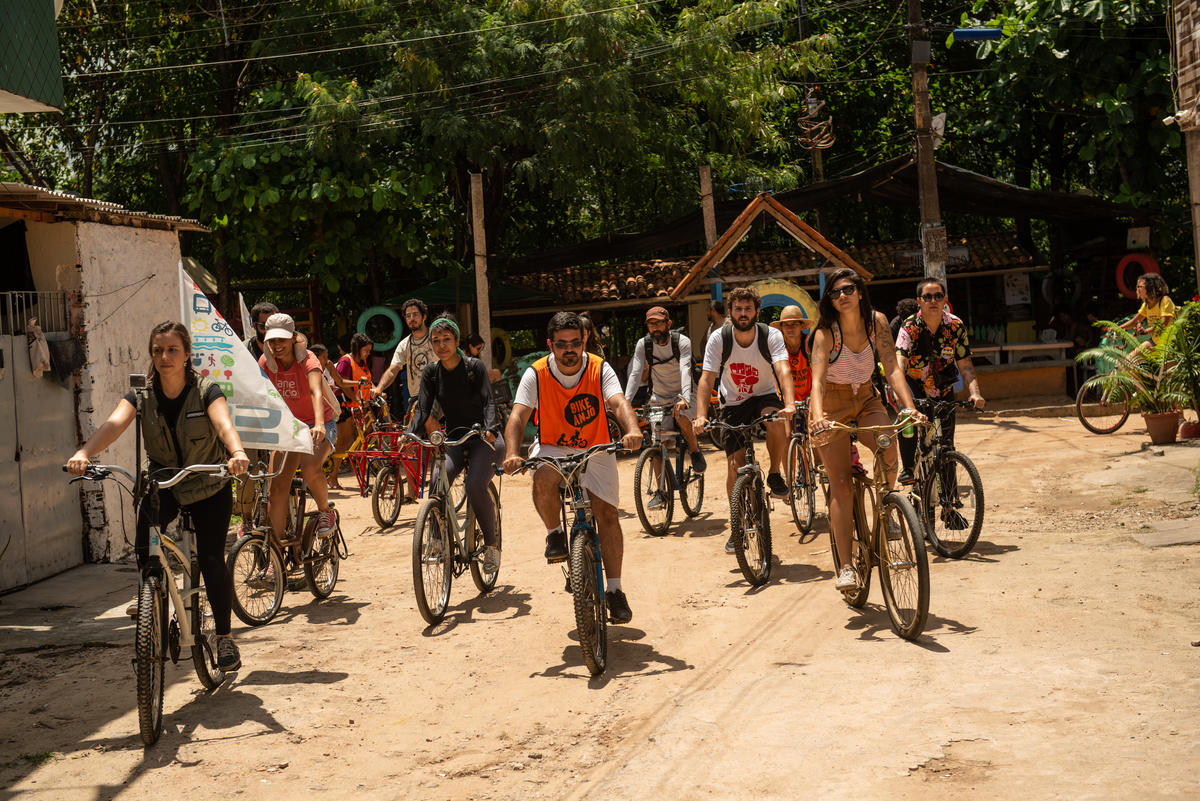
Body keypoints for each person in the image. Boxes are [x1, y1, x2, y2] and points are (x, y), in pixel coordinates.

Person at [66, 321, 250, 671]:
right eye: (157, 350)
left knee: (211, 559)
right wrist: (84, 453)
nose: (164, 357)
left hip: (208, 482)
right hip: (163, 483)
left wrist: (237, 452)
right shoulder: (141, 394)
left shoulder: (206, 390)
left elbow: (224, 425)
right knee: (144, 538)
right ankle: (151, 595)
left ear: (186, 356)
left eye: (172, 350)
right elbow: (112, 425)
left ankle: (224, 639)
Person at [502, 312, 642, 623]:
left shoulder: (599, 368)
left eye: (575, 343)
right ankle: (554, 534)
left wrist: (632, 430)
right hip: (553, 443)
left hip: (596, 445)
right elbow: (518, 416)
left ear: (585, 341)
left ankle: (615, 590)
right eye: (562, 344)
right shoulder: (535, 373)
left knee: (607, 514)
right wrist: (512, 452)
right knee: (543, 474)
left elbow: (618, 403)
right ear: (550, 345)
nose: (570, 350)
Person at [809, 268, 923, 592]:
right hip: (831, 403)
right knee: (841, 484)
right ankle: (846, 566)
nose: (842, 296)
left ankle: (888, 509)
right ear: (829, 299)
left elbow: (891, 367)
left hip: (867, 398)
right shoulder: (825, 333)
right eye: (835, 292)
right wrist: (817, 416)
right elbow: (816, 381)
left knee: (889, 445)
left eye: (848, 289)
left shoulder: (878, 323)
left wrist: (908, 406)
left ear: (860, 292)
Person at [693, 287, 795, 554]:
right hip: (733, 402)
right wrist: (701, 414)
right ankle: (737, 523)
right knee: (734, 466)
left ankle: (774, 474)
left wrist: (789, 402)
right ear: (730, 312)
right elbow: (707, 379)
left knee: (776, 421)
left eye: (748, 309)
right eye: (738, 309)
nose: (743, 313)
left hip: (764, 395)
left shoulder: (770, 335)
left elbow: (783, 368)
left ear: (757, 312)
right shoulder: (719, 338)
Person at [408, 317, 505, 572]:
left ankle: (492, 545)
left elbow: (488, 402)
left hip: (484, 439)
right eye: (436, 341)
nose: (441, 346)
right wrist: (408, 434)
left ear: (456, 341)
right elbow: (423, 408)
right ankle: (437, 542)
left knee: (474, 486)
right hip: (452, 438)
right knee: (438, 481)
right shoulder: (431, 372)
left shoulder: (474, 367)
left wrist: (490, 428)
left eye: (446, 340)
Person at [894, 277, 985, 483]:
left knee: (946, 446)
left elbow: (965, 363)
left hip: (942, 388)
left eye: (938, 296)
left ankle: (950, 506)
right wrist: (902, 397)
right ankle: (908, 467)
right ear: (919, 300)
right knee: (906, 419)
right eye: (927, 296)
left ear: (945, 299)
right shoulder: (909, 327)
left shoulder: (955, 325)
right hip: (914, 386)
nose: (933, 300)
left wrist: (975, 393)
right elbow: (899, 366)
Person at [258, 313, 338, 543]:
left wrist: (320, 424)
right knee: (277, 488)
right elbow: (258, 393)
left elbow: (316, 391)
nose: (277, 345)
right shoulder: (266, 362)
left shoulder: (307, 359)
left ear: (293, 338)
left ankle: (326, 511)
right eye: (272, 340)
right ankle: (277, 552)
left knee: (310, 467)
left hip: (319, 422)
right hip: (289, 427)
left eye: (282, 340)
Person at [623, 306, 706, 480]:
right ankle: (661, 493)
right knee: (656, 442)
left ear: (668, 324)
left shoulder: (681, 342)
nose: (655, 328)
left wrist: (684, 398)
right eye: (650, 324)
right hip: (658, 398)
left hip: (685, 394)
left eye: (658, 323)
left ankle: (694, 449)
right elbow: (635, 374)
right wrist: (626, 402)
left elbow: (685, 369)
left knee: (682, 416)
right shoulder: (643, 344)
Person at [236, 301, 278, 528]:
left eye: (274, 324)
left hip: (279, 419)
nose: (270, 331)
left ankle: (279, 520)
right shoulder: (241, 350)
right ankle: (246, 519)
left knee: (279, 473)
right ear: (254, 325)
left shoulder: (288, 348)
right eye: (265, 325)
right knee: (248, 471)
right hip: (249, 419)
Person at [374, 298, 437, 420]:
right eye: (408, 316)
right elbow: (393, 370)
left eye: (415, 314)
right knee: (407, 437)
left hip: (439, 397)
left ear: (424, 317)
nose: (411, 318)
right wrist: (379, 388)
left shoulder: (436, 339)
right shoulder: (404, 345)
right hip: (416, 400)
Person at [329, 333, 374, 490]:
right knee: (344, 439)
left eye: (369, 351)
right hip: (343, 404)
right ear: (357, 348)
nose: (368, 354)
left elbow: (367, 381)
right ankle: (332, 476)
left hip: (357, 404)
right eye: (366, 350)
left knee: (362, 439)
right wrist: (356, 398)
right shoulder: (345, 361)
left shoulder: (362, 362)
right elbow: (340, 383)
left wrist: (376, 391)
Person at [1120, 273, 1175, 344]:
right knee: (1132, 355)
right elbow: (1135, 321)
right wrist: (1118, 328)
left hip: (1170, 344)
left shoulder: (1165, 301)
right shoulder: (1146, 304)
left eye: (1140, 286)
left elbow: (1163, 324)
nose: (1137, 289)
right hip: (1155, 342)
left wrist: (1145, 331)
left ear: (1151, 287)